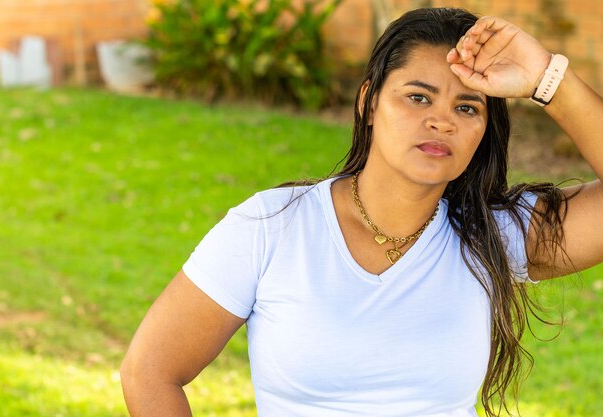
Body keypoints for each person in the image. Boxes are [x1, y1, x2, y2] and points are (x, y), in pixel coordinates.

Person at [120, 7, 602, 417]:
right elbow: (151, 372)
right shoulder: (270, 228)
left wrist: (547, 79)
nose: (441, 120)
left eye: (468, 108)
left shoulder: (493, 234)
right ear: (369, 103)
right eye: (418, 97)